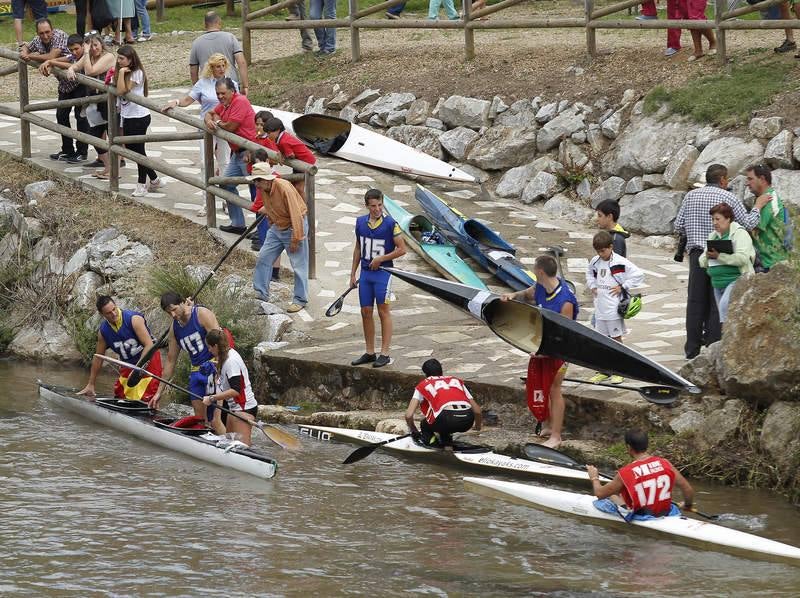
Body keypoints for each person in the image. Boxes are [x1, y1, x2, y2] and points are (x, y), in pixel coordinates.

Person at [674, 164, 761, 358]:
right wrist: (757, 207)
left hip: (698, 255)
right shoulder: (728, 198)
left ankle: (692, 350)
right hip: (723, 253)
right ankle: (713, 348)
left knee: (695, 301)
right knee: (717, 302)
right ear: (722, 179)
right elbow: (748, 223)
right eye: (727, 179)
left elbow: (678, 225)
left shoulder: (691, 196)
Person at [501, 254, 578, 449]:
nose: (534, 272)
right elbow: (527, 294)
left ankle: (557, 435)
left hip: (560, 351)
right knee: (541, 386)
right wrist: (513, 296)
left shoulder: (565, 301)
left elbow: (565, 333)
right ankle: (548, 425)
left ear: (540, 271)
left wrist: (546, 353)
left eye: (535, 269)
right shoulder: (541, 287)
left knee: (554, 389)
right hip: (542, 345)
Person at [163, 52, 236, 213]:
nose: (221, 69)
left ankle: (226, 200)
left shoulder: (231, 84)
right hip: (206, 127)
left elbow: (237, 103)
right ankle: (206, 201)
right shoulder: (203, 83)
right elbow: (188, 100)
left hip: (224, 127)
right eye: (218, 66)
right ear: (211, 68)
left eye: (223, 65)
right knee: (205, 163)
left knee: (224, 162)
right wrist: (175, 102)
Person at [349, 188, 407, 369]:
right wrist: (353, 273)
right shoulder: (360, 223)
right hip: (366, 274)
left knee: (383, 311)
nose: (377, 209)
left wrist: (381, 259)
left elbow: (402, 249)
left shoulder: (391, 224)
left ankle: (385, 353)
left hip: (384, 273)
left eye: (380, 205)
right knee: (365, 311)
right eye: (373, 206)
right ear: (367, 206)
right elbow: (358, 248)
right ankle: (369, 351)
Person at [587, 429, 695, 519]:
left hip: (644, 517)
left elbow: (599, 494)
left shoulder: (625, 472)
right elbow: (687, 489)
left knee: (613, 494)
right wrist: (687, 505)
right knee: (622, 493)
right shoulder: (665, 463)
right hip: (665, 513)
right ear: (647, 445)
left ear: (629, 447)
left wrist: (594, 477)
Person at [152, 292, 223, 425]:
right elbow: (171, 361)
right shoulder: (174, 329)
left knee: (214, 419)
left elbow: (222, 343)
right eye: (169, 312)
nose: (173, 315)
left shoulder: (202, 314)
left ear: (183, 302)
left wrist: (220, 371)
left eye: (174, 309)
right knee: (200, 420)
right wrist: (159, 392)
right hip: (196, 374)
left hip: (213, 370)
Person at [249, 162, 310, 313]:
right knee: (264, 257)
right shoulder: (264, 188)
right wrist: (271, 222)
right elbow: (270, 207)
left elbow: (296, 213)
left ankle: (300, 299)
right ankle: (261, 293)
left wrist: (296, 237)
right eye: (255, 180)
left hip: (293, 226)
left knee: (298, 265)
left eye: (258, 180)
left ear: (266, 179)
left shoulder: (284, 187)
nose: (255, 183)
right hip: (277, 227)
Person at [585, 231, 645, 384]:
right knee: (601, 340)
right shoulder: (595, 261)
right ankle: (604, 370)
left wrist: (623, 286)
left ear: (610, 247)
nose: (600, 254)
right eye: (598, 251)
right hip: (600, 308)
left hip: (613, 309)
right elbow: (590, 274)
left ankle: (620, 370)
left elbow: (638, 274)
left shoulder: (620, 262)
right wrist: (592, 286)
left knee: (616, 339)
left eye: (603, 250)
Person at [78, 295, 162, 401]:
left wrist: (137, 370)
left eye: (114, 309)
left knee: (145, 397)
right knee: (120, 395)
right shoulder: (103, 332)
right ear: (101, 314)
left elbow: (149, 345)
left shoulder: (133, 319)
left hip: (148, 362)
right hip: (128, 364)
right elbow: (98, 357)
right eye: (108, 313)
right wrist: (91, 384)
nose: (113, 314)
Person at [205, 77, 257, 234]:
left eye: (223, 93)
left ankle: (261, 231)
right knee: (226, 184)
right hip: (237, 153)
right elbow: (210, 113)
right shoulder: (225, 104)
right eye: (217, 94)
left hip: (250, 152)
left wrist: (218, 122)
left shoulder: (240, 101)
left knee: (256, 189)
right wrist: (209, 119)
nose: (220, 97)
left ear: (232, 92)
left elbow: (231, 127)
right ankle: (238, 224)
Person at [114, 44, 162, 198]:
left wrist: (121, 73)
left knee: (138, 151)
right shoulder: (124, 71)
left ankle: (142, 184)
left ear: (130, 59)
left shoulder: (137, 73)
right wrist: (119, 73)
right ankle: (154, 178)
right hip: (128, 116)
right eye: (118, 58)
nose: (119, 61)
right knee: (132, 149)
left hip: (139, 117)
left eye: (122, 58)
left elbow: (122, 90)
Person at [405, 358, 482, 448]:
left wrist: (414, 430)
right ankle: (447, 441)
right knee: (442, 419)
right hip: (467, 421)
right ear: (441, 371)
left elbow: (408, 415)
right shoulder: (456, 381)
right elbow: (477, 411)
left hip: (446, 420)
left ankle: (433, 445)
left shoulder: (423, 384)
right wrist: (477, 427)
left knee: (425, 424)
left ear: (425, 374)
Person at [67, 33, 116, 173]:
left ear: (101, 44)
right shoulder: (89, 57)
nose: (94, 49)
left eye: (96, 45)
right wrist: (71, 69)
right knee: (94, 134)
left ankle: (116, 165)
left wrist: (87, 52)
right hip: (95, 101)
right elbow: (76, 66)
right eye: (91, 46)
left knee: (114, 134)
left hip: (109, 101)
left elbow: (90, 71)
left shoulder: (109, 56)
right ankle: (108, 166)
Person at [698, 203, 755, 324]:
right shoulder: (713, 236)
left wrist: (719, 256)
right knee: (726, 318)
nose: (714, 222)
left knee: (725, 310)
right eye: (712, 219)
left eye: (718, 219)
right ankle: (728, 341)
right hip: (718, 284)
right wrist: (707, 257)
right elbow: (702, 261)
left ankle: (727, 341)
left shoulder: (740, 234)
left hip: (736, 280)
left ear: (728, 219)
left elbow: (742, 258)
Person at [201, 328, 259, 446]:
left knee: (242, 448)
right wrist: (214, 365)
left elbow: (236, 390)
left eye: (210, 347)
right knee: (230, 444)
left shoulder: (231, 361)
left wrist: (212, 398)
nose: (209, 350)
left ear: (216, 346)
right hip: (234, 409)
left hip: (244, 409)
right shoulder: (226, 354)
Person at [39, 34, 90, 163]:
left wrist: (51, 61)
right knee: (61, 115)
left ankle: (82, 151)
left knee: (81, 118)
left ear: (83, 46)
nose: (74, 52)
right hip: (66, 88)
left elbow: (76, 65)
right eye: (71, 49)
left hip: (81, 87)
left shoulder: (86, 56)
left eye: (77, 49)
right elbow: (66, 59)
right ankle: (67, 149)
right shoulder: (72, 56)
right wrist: (50, 62)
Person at [744, 164, 791, 272]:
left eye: (750, 179)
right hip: (768, 261)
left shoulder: (768, 200)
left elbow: (753, 229)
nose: (747, 183)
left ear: (762, 179)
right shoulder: (763, 199)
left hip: (771, 263)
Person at [189, 11, 249, 93]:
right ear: (219, 22)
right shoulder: (230, 37)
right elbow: (241, 62)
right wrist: (245, 85)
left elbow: (193, 70)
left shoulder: (196, 42)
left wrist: (197, 90)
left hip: (208, 87)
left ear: (204, 24)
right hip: (230, 84)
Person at [264, 116, 316, 198]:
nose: (267, 135)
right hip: (302, 160)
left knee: (299, 188)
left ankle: (306, 208)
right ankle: (298, 204)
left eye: (269, 133)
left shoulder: (283, 141)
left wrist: (283, 157)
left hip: (305, 162)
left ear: (277, 131)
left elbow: (291, 155)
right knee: (293, 185)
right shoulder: (282, 136)